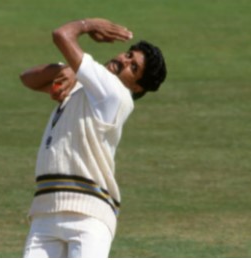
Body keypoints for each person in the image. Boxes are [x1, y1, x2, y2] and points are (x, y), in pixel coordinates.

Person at [20, 18, 167, 258]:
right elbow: (27, 78)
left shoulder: (115, 93)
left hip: (88, 215)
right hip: (46, 209)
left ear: (137, 87)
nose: (123, 60)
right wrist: (66, 70)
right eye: (129, 55)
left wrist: (88, 25)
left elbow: (61, 35)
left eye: (134, 67)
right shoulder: (85, 83)